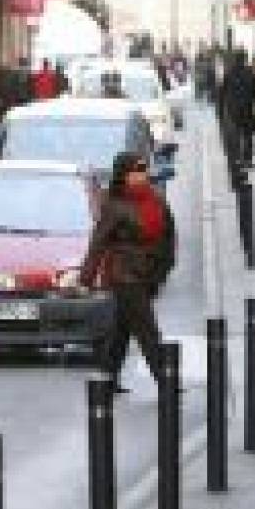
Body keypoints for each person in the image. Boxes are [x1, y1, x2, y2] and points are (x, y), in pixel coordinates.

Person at [80, 152, 176, 393]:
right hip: (124, 275)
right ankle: (166, 380)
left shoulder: (156, 200)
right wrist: (87, 278)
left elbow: (169, 235)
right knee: (147, 328)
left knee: (121, 329)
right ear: (123, 175)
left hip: (149, 273)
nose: (140, 176)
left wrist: (164, 268)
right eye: (135, 171)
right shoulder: (114, 205)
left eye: (143, 170)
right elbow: (98, 242)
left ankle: (107, 378)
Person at [220, 50, 255, 167]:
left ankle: (236, 158)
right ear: (245, 59)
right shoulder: (250, 72)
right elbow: (254, 89)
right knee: (247, 133)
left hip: (233, 108)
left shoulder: (229, 73)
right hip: (247, 106)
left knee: (235, 133)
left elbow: (222, 91)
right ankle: (248, 159)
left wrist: (223, 107)